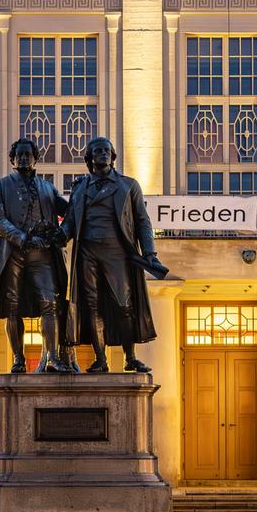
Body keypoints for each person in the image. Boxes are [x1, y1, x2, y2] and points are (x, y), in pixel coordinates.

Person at [62, 137, 164, 373]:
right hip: (87, 250)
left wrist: (149, 252)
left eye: (107, 150)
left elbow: (142, 221)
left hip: (117, 251)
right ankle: (101, 359)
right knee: (92, 305)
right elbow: (69, 223)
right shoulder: (79, 187)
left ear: (113, 156)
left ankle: (130, 357)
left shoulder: (128, 185)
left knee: (123, 303)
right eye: (98, 150)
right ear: (89, 158)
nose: (103, 154)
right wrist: (52, 238)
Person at [0, 137, 75, 373]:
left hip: (42, 252)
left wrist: (80, 195)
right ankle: (18, 358)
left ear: (36, 158)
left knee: (50, 302)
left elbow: (68, 211)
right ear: (12, 159)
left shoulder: (47, 188)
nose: (24, 158)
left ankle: (53, 358)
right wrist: (22, 238)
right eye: (20, 154)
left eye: (28, 154)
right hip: (12, 252)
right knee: (12, 307)